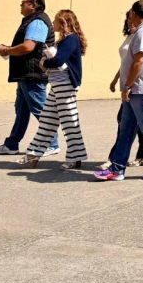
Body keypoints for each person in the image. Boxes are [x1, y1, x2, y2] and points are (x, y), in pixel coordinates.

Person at [95, 0, 143, 181]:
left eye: (130, 14)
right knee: (126, 129)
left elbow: (139, 61)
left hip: (141, 89)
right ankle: (117, 168)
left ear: (134, 14)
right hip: (136, 90)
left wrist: (127, 86)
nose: (129, 17)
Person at [20, 9, 88, 169]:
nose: (53, 23)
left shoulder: (71, 39)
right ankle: (33, 154)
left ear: (63, 22)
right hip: (58, 85)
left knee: (70, 122)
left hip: (65, 86)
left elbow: (58, 60)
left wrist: (44, 63)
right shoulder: (65, 40)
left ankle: (75, 157)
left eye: (56, 20)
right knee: (47, 120)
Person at [0, 0, 59, 156]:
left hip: (33, 74)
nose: (20, 5)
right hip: (26, 74)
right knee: (21, 111)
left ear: (33, 5)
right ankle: (12, 144)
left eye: (24, 2)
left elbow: (28, 47)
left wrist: (7, 50)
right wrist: (8, 49)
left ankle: (52, 143)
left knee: (40, 109)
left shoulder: (37, 22)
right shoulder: (31, 21)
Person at [105, 12, 143, 167]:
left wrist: (129, 85)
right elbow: (125, 63)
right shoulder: (130, 37)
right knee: (138, 122)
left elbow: (138, 62)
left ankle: (115, 158)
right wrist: (115, 79)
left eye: (132, 18)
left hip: (136, 86)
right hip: (127, 84)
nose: (130, 21)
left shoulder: (141, 36)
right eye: (128, 19)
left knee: (126, 121)